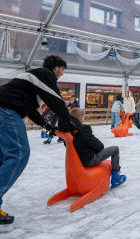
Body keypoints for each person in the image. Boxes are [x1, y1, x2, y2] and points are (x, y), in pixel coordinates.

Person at [0, 55, 77, 231]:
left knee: (3, 158)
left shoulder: (34, 78)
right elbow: (55, 100)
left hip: (4, 109)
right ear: (56, 67)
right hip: (5, 110)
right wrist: (70, 123)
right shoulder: (45, 74)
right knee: (18, 153)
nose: (62, 74)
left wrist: (46, 125)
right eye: (62, 70)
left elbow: (30, 110)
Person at [59, 108, 126, 188]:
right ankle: (116, 179)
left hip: (76, 161)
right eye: (83, 118)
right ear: (80, 119)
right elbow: (100, 146)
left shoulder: (66, 130)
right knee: (115, 149)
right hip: (88, 160)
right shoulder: (81, 129)